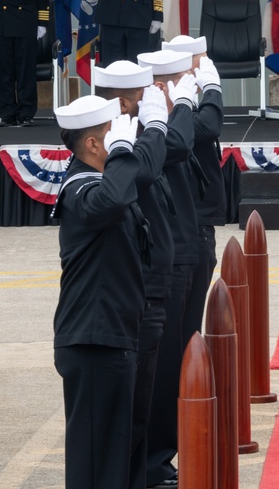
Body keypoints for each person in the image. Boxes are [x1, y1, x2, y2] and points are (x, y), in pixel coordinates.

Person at [51, 93, 166, 489]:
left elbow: (136, 180)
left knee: (119, 453)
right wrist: (122, 151)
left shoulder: (100, 183)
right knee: (97, 462)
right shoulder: (81, 189)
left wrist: (154, 129)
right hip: (93, 341)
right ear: (94, 144)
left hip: (114, 335)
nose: (124, 141)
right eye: (112, 133)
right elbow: (113, 198)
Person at [92, 61, 172, 489]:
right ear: (125, 103)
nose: (155, 96)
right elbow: (144, 171)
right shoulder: (111, 142)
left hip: (147, 283)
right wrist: (158, 125)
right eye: (147, 94)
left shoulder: (125, 134)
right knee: (129, 410)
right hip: (134, 290)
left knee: (141, 405)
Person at [136, 48, 198, 489]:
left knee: (174, 360)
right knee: (159, 373)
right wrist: (189, 105)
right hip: (161, 258)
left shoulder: (168, 117)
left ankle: (162, 456)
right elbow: (176, 146)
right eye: (183, 80)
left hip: (181, 248)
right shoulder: (150, 122)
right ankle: (154, 461)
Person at [160, 35, 226, 353]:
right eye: (202, 61)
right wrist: (213, 90)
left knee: (189, 322)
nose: (207, 67)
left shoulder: (184, 102)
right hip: (190, 223)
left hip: (198, 218)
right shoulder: (174, 108)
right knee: (184, 328)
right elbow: (208, 127)